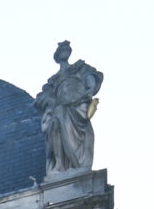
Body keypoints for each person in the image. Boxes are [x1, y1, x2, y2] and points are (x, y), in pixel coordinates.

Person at [34, 41, 103, 176]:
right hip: (61, 107)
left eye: (66, 49)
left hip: (78, 104)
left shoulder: (79, 67)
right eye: (62, 50)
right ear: (58, 56)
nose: (64, 52)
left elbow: (90, 77)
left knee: (73, 133)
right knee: (55, 123)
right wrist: (48, 101)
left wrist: (90, 88)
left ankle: (72, 164)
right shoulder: (54, 80)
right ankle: (60, 163)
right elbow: (42, 97)